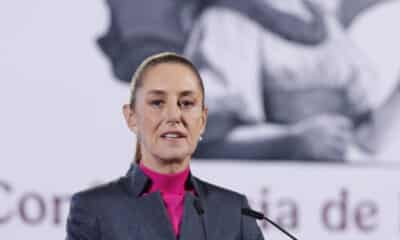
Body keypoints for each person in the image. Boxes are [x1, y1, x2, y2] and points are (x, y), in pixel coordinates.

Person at [66, 52, 264, 240]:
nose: (173, 115)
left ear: (203, 120)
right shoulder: (94, 210)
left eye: (186, 103)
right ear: (131, 117)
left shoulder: (236, 213)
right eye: (157, 103)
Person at [184, 0, 396, 162]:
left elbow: (366, 140)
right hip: (267, 197)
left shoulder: (327, 26)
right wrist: (292, 141)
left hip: (334, 197)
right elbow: (207, 137)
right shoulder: (226, 21)